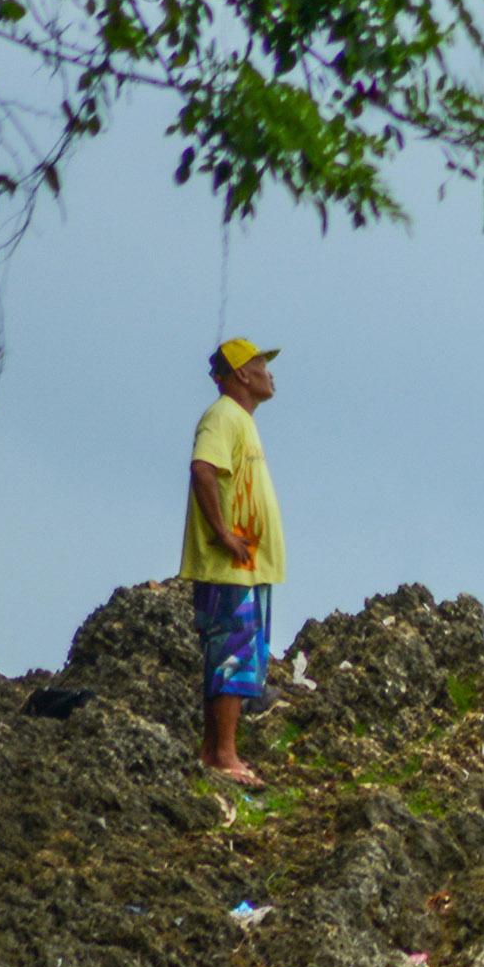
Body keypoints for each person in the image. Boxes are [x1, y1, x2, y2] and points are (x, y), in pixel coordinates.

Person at [181, 335, 287, 786]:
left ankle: (215, 752)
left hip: (246, 566)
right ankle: (224, 756)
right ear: (242, 373)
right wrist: (223, 534)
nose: (269, 371)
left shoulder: (240, 420)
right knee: (232, 653)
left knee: (240, 654)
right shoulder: (222, 417)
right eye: (262, 363)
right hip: (231, 567)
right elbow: (203, 469)